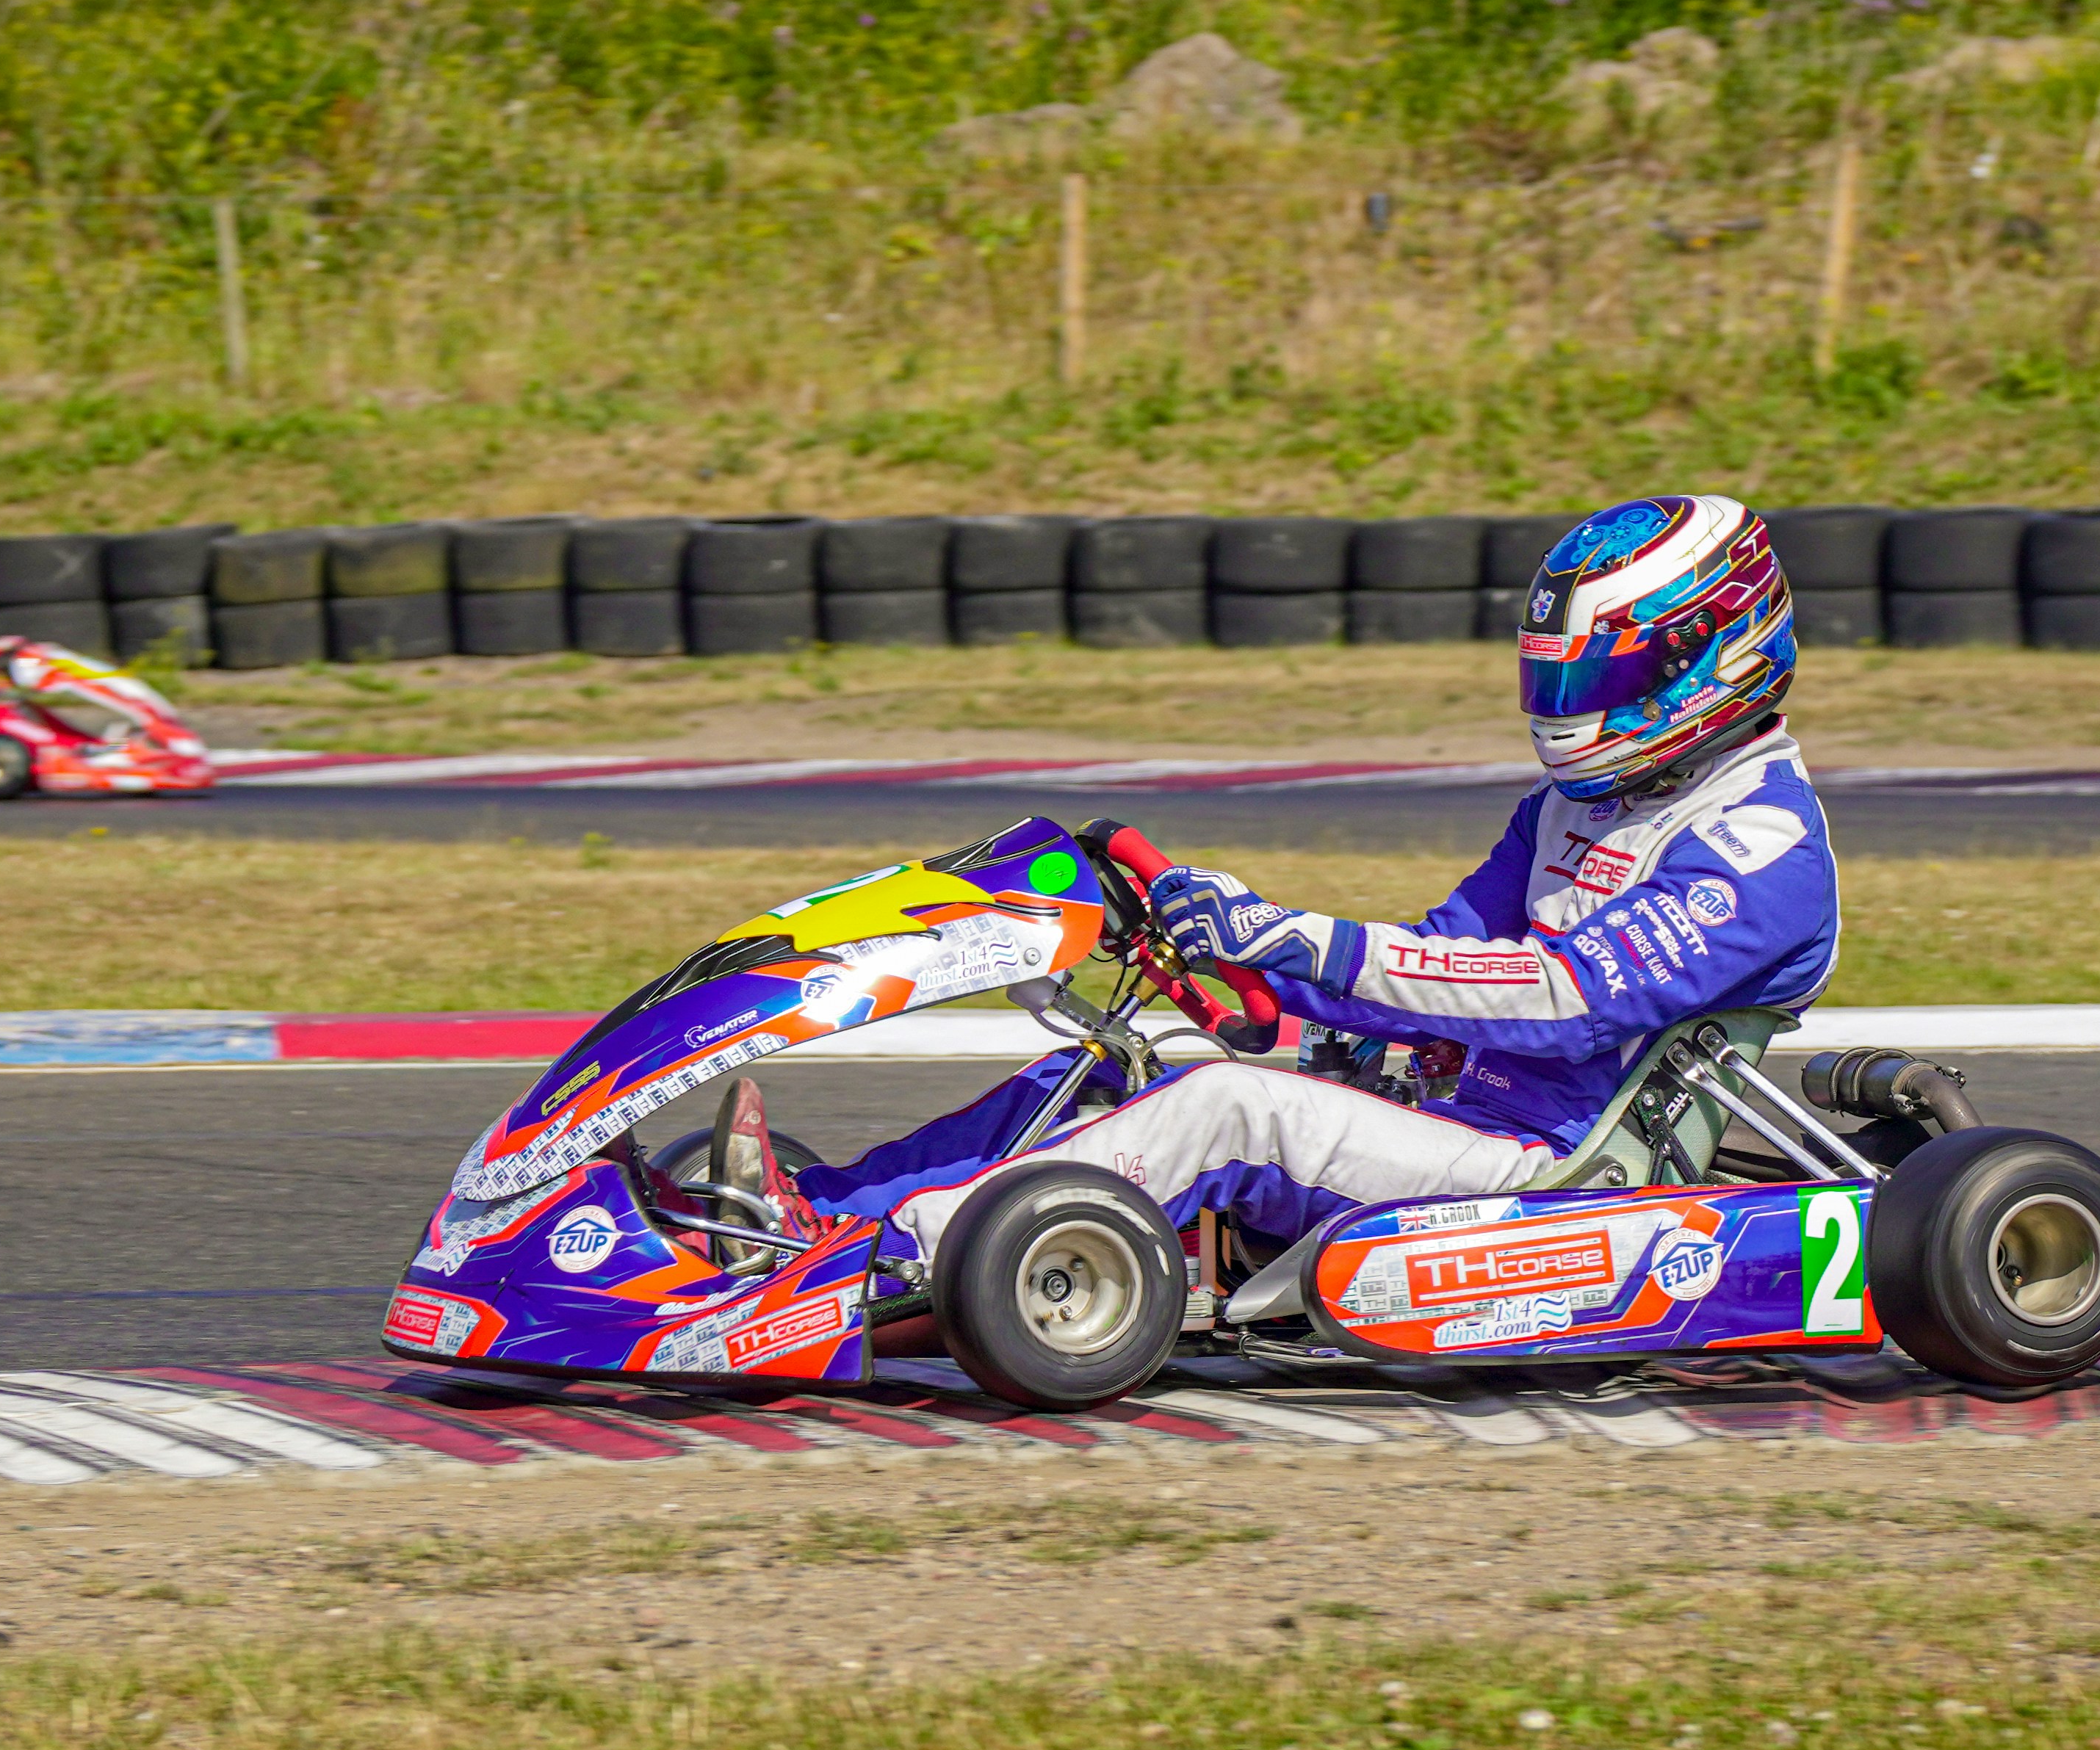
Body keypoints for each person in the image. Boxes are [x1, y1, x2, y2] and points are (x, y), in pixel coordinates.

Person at [730, 493, 1840, 1264]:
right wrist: (1237, 950)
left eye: (1610, 671)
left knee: (1229, 1110)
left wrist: (1300, 943)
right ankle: (800, 1214)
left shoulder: (1759, 849)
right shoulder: (1575, 806)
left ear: (1714, 654)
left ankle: (878, 1262)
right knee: (1127, 1068)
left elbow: (1560, 1001)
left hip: (1560, 1176)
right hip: (1453, 1112)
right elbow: (1443, 954)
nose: (1575, 702)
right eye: (1568, 673)